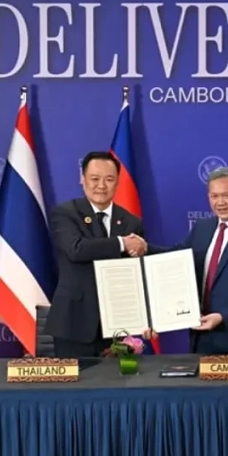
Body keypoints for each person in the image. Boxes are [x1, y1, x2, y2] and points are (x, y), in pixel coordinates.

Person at [140, 167, 228, 354]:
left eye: (226, 196)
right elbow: (178, 257)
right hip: (203, 338)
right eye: (214, 196)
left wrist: (222, 316)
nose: (220, 202)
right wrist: (145, 248)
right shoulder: (202, 228)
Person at [47, 151, 147, 358]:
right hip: (74, 325)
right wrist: (121, 243)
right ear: (82, 179)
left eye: (109, 179)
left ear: (117, 182)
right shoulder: (65, 213)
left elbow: (138, 274)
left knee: (116, 379)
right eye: (94, 179)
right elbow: (76, 249)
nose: (101, 186)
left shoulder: (131, 222)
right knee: (75, 379)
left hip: (118, 326)